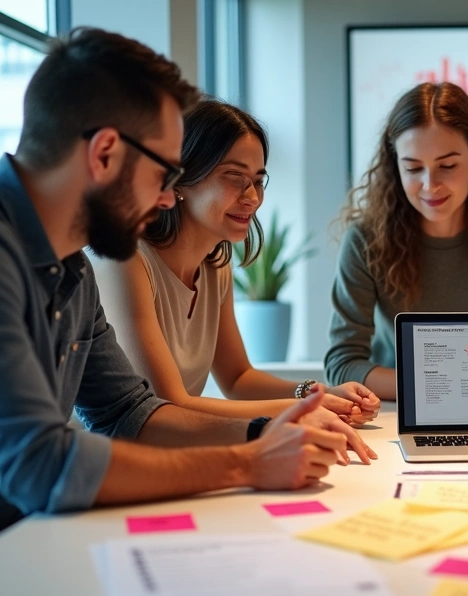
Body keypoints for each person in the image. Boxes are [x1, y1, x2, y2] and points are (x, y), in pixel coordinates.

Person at [0, 28, 346, 596]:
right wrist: (246, 462)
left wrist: (264, 432)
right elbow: (40, 466)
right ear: (105, 153)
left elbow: (128, 413)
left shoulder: (72, 266)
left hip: (25, 547)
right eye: (164, 173)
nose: (168, 198)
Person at [91, 99, 378, 464]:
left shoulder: (215, 264)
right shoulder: (123, 258)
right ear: (181, 179)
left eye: (258, 180)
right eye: (234, 177)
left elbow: (238, 378)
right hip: (112, 465)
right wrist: (301, 411)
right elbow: (169, 403)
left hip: (177, 457)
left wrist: (318, 395)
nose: (253, 197)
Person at [325, 82, 468, 400]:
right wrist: (439, 388)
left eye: (447, 166)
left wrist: (446, 388)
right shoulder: (365, 241)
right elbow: (342, 365)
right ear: (395, 165)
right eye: (412, 168)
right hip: (394, 415)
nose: (430, 186)